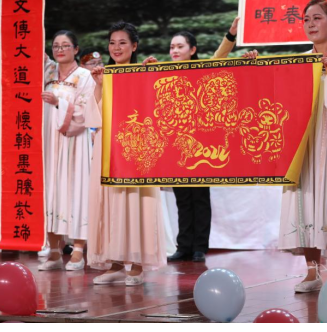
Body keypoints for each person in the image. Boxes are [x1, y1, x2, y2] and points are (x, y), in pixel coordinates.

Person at [244, 0, 327, 293]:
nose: (310, 24)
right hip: (305, 139)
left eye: (317, 18)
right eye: (306, 19)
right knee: (307, 198)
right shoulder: (300, 61)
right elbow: (275, 92)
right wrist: (254, 68)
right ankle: (312, 271)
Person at [142, 17, 240, 263]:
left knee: (200, 197)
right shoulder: (166, 72)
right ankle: (183, 245)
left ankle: (199, 246)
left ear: (192, 50)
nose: (174, 51)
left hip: (202, 146)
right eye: (172, 47)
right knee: (182, 199)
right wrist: (146, 69)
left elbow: (220, 56)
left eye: (180, 46)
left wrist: (231, 34)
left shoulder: (202, 69)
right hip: (177, 146)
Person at [87, 22, 166, 286]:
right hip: (108, 147)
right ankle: (116, 263)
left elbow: (155, 108)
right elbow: (93, 118)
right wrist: (99, 85)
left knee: (136, 200)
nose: (116, 47)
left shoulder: (143, 72)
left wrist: (151, 76)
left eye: (122, 42)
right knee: (110, 201)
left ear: (134, 46)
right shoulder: (104, 74)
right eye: (112, 42)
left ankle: (138, 264)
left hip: (136, 147)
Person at [38, 30, 99, 271]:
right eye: (56, 46)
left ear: (76, 49)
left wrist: (58, 103)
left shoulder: (85, 76)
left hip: (74, 140)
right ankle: (54, 251)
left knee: (75, 191)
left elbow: (84, 111)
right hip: (48, 141)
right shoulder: (47, 71)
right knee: (50, 191)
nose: (60, 50)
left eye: (65, 45)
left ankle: (78, 251)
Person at [79, 48, 104, 143]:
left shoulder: (107, 81)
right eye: (93, 63)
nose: (98, 66)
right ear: (82, 66)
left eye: (100, 63)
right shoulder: (77, 83)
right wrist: (90, 130)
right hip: (82, 132)